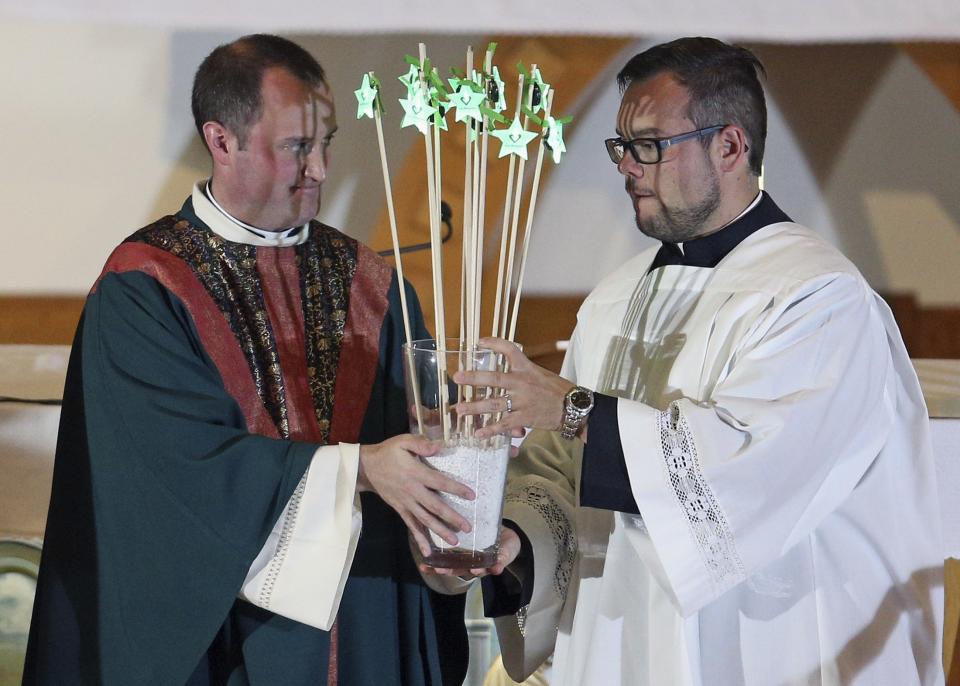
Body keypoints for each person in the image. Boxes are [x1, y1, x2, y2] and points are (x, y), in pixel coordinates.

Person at [448, 37, 945, 685]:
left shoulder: (817, 298)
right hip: (623, 648)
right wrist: (516, 539)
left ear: (731, 147)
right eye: (622, 146)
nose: (628, 167)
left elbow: (742, 479)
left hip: (774, 649)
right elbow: (568, 489)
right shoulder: (612, 300)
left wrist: (568, 407)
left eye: (650, 145)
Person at [24, 34, 472, 685]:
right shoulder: (146, 288)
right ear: (222, 141)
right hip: (228, 649)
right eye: (296, 147)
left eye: (328, 142)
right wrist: (360, 472)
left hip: (369, 629)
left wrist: (471, 444)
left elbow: (428, 436)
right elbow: (171, 482)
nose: (320, 168)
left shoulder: (371, 282)